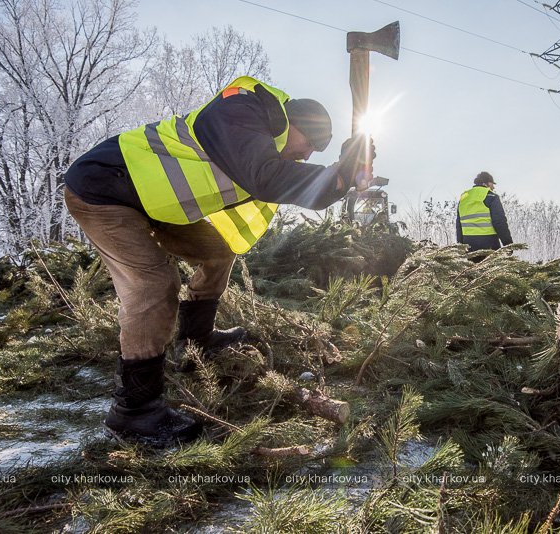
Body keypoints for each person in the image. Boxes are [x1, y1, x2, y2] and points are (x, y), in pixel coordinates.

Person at [63, 76, 374, 446]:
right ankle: (134, 411)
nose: (307, 156)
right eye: (310, 145)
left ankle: (197, 337)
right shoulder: (241, 111)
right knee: (153, 285)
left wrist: (344, 172)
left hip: (155, 202)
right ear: (294, 124)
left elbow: (281, 178)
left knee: (219, 248)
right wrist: (337, 177)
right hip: (104, 189)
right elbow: (267, 177)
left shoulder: (261, 134)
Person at [456, 171, 513, 257]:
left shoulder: (464, 198)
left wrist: (460, 246)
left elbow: (459, 225)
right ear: (486, 183)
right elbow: (500, 222)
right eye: (492, 184)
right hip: (489, 244)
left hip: (468, 245)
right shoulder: (491, 196)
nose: (493, 187)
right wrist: (508, 244)